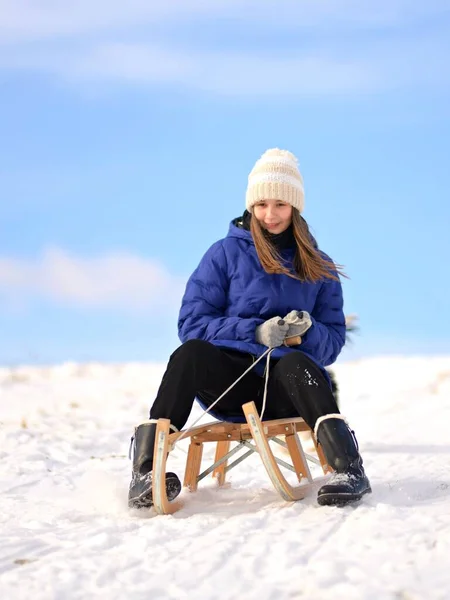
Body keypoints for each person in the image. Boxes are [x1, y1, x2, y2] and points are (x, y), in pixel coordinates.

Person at [128, 148, 371, 509]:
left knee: (295, 364)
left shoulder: (320, 267)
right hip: (231, 385)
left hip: (287, 390)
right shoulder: (223, 254)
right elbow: (192, 323)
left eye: (279, 205)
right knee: (189, 353)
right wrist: (255, 332)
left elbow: (332, 342)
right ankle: (145, 473)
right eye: (261, 205)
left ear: (295, 207)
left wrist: (305, 335)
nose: (270, 215)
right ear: (250, 207)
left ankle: (349, 470)